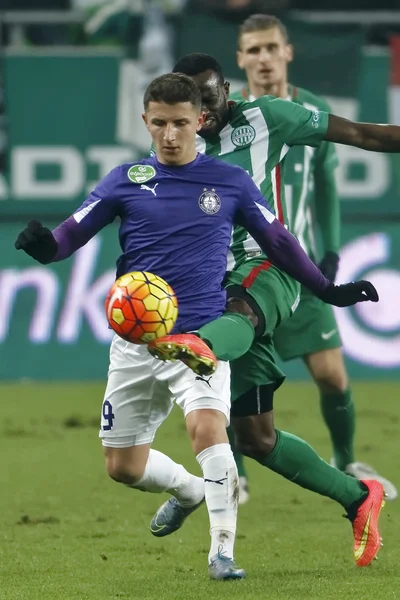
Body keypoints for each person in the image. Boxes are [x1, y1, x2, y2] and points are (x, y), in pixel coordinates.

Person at [14, 73, 373, 579]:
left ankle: (222, 553)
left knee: (210, 431)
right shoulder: (125, 179)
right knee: (122, 468)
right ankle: (189, 491)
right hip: (136, 342)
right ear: (145, 122)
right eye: (159, 123)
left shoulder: (230, 182)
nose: (169, 134)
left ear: (199, 121)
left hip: (198, 337)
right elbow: (71, 234)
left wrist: (326, 288)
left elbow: (278, 241)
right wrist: (44, 247)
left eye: (180, 123)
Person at [147, 50, 400, 567]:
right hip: (206, 288)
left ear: (226, 90)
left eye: (213, 97)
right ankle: (359, 497)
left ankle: (204, 346)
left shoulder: (268, 117)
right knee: (257, 437)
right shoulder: (174, 150)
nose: (206, 112)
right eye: (196, 105)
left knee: (239, 312)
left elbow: (362, 135)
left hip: (272, 268)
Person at [226, 13, 397, 504]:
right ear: (240, 59)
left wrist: (333, 249)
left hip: (299, 269)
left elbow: (326, 187)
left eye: (270, 48)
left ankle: (347, 460)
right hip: (245, 270)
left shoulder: (312, 110)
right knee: (227, 371)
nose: (262, 58)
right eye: (252, 50)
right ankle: (233, 474)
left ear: (288, 52)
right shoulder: (231, 116)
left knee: (332, 375)